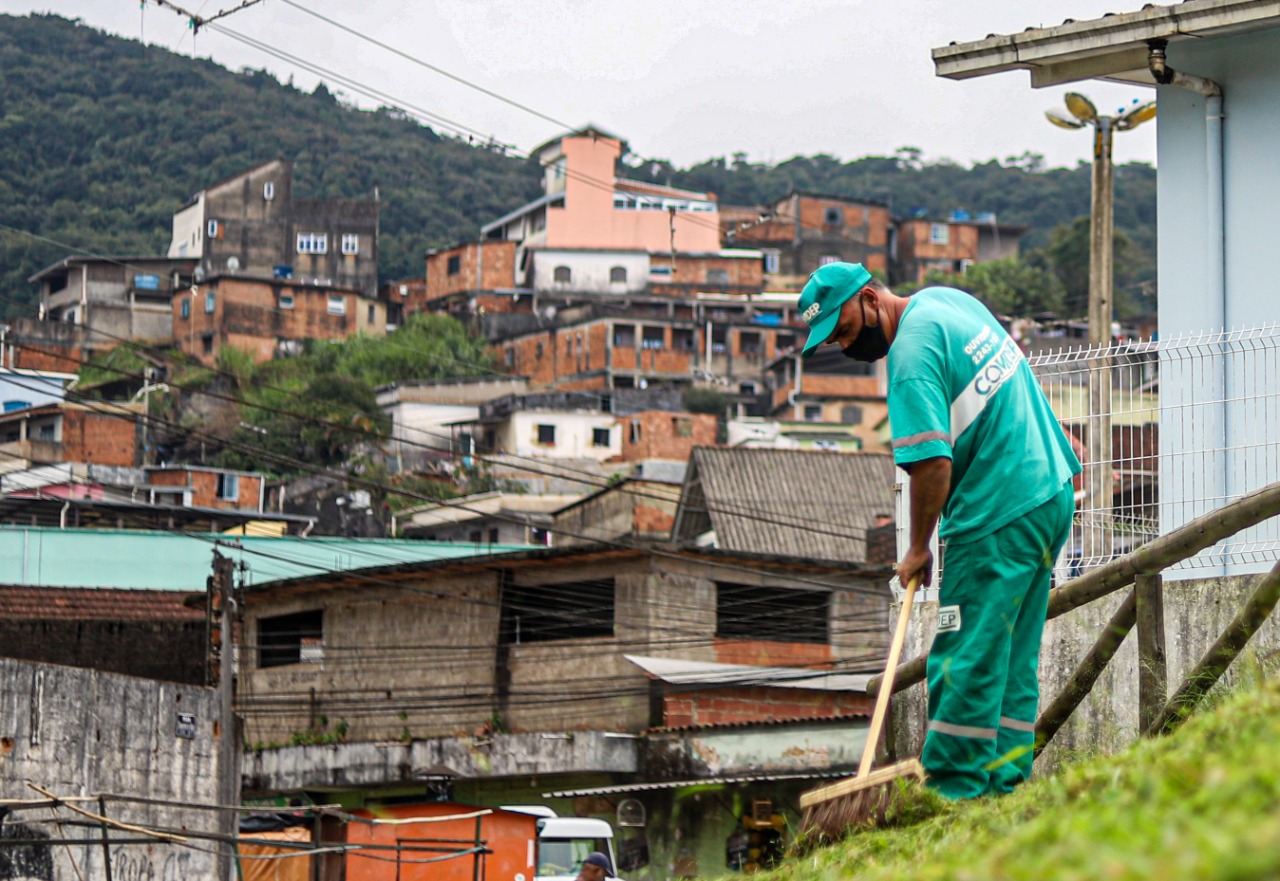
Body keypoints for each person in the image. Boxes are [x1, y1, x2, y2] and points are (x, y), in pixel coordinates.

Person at [797, 262, 1081, 800]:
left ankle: (953, 791)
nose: (843, 343)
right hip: (1050, 489)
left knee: (965, 654)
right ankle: (1005, 786)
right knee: (1012, 653)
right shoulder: (948, 302)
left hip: (998, 511)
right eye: (833, 338)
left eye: (845, 330)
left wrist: (917, 548)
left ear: (870, 299)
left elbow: (931, 463)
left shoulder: (909, 355)